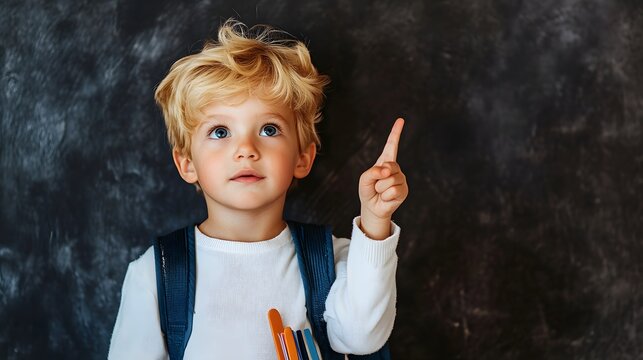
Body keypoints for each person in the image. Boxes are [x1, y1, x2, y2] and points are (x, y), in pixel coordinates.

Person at [108, 18, 408, 359]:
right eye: (220, 132)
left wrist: (374, 222)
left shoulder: (330, 260)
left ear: (302, 158)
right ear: (187, 164)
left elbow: (362, 338)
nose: (246, 149)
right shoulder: (157, 275)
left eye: (268, 129)